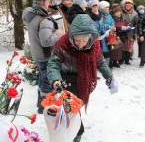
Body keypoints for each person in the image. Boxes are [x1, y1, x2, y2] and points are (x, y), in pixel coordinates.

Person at [47, 14, 113, 142]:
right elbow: (53, 64)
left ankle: (74, 128)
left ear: (90, 37)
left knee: (75, 108)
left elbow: (100, 62)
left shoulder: (94, 46)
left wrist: (109, 75)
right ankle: (76, 131)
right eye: (77, 40)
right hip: (67, 80)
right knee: (70, 108)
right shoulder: (62, 44)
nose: (80, 44)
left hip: (85, 80)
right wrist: (55, 79)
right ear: (72, 36)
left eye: (84, 40)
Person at [22, 0, 64, 113]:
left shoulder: (31, 16)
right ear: (45, 2)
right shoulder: (43, 19)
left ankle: (41, 103)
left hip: (38, 54)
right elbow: (46, 41)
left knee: (42, 79)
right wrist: (58, 33)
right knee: (47, 82)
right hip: (45, 55)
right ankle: (45, 107)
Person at [121, 0, 138, 65]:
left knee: (129, 46)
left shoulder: (135, 13)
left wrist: (135, 33)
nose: (128, 7)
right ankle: (121, 59)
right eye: (126, 6)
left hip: (131, 32)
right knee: (122, 46)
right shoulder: (122, 13)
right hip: (123, 32)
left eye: (129, 6)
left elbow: (136, 24)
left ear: (131, 6)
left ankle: (127, 60)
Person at [99, 0, 116, 65]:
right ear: (102, 8)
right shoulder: (100, 15)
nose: (107, 8)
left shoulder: (109, 15)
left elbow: (112, 22)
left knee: (110, 50)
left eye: (108, 7)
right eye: (105, 7)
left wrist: (113, 28)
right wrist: (108, 27)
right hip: (103, 36)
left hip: (110, 35)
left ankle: (108, 65)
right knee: (103, 51)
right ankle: (102, 65)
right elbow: (100, 24)